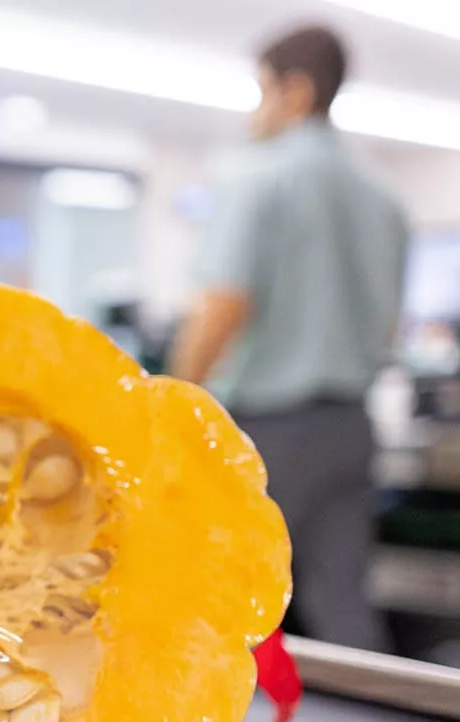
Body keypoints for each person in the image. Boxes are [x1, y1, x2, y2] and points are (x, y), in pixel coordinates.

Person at [169, 25, 408, 652]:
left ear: (295, 92)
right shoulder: (383, 197)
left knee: (214, 598)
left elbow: (223, 305)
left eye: (261, 91)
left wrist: (169, 403)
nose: (256, 110)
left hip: (270, 432)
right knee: (343, 604)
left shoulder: (260, 177)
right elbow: (386, 323)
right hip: (351, 425)